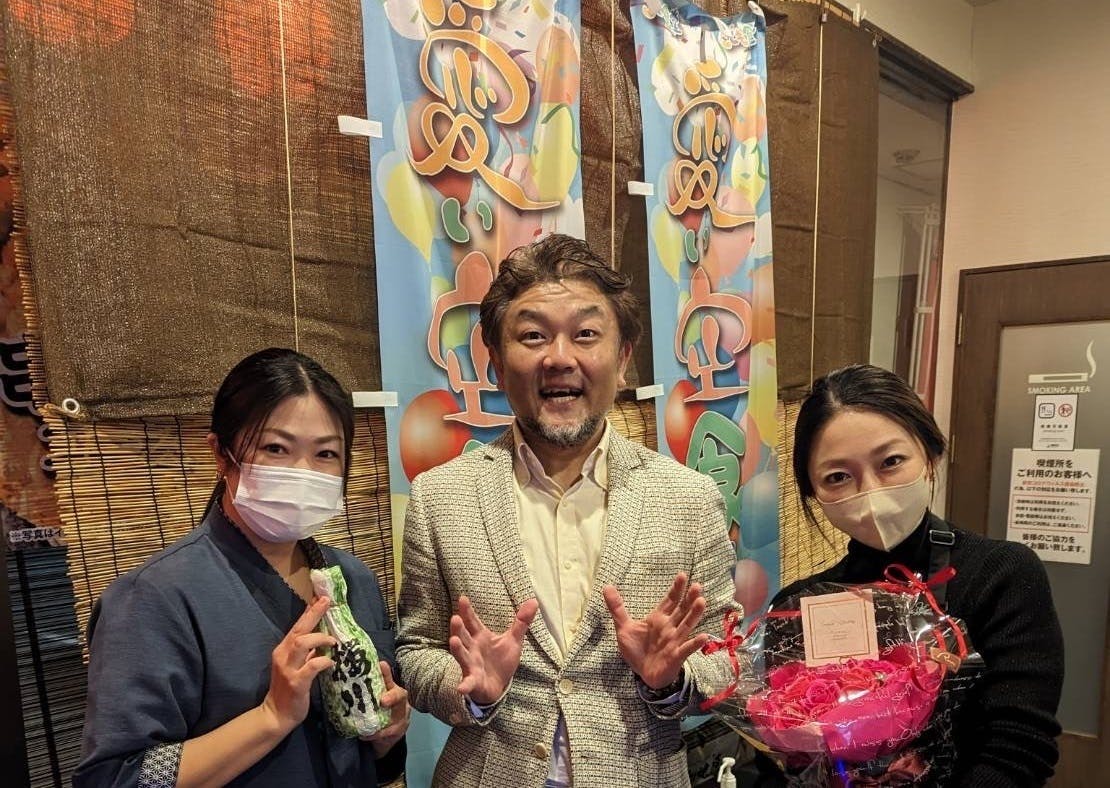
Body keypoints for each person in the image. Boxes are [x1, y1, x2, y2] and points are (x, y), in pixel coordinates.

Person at [397, 233, 740, 788]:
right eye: (533, 336)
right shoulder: (441, 497)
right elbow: (416, 650)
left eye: (586, 334)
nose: (559, 358)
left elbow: (725, 655)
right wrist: (470, 690)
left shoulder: (689, 497)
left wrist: (670, 683)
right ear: (496, 362)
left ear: (622, 359)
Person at [75, 348, 409, 787]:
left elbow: (376, 761)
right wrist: (271, 717)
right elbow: (117, 776)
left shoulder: (355, 579)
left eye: (326, 453)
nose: (303, 472)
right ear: (220, 453)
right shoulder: (152, 599)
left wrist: (386, 737)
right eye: (276, 448)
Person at [762, 363, 1063, 786]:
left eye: (890, 461)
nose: (871, 492)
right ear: (814, 491)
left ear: (930, 453)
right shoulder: (798, 608)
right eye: (838, 477)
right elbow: (784, 758)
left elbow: (1019, 747)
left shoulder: (1002, 574)